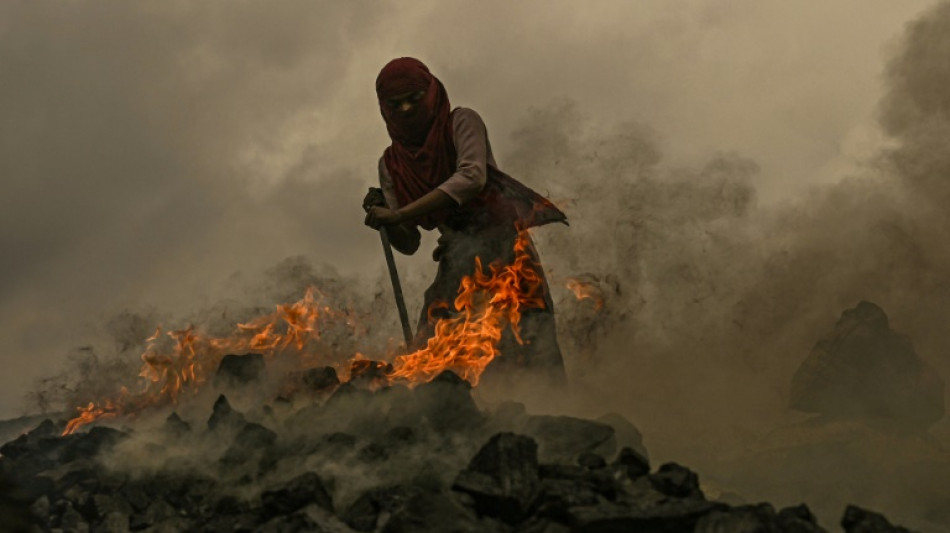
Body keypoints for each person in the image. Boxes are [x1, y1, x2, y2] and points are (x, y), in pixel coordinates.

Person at [363, 57, 567, 385]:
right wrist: (386, 221)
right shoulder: (390, 164)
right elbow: (410, 243)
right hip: (455, 257)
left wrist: (399, 213)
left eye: (413, 100)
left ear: (430, 93)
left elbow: (472, 177)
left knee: (531, 335)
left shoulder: (461, 122)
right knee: (432, 342)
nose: (405, 110)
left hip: (504, 247)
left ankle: (553, 413)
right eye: (395, 104)